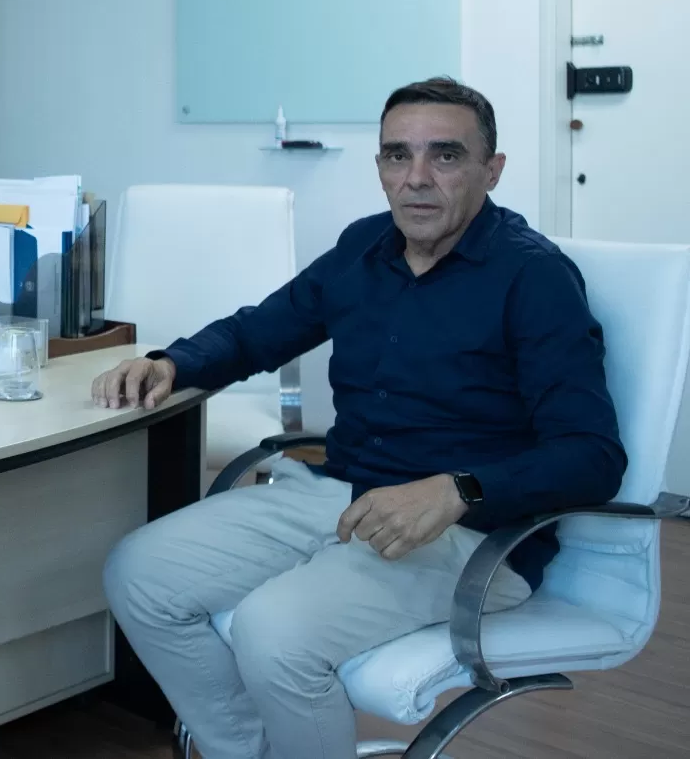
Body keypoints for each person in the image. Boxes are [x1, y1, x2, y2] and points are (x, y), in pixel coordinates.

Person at [93, 78, 626, 759]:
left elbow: (592, 454)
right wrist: (173, 363)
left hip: (471, 535)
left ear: (492, 170)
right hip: (343, 493)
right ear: (380, 167)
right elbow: (259, 331)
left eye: (446, 155)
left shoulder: (535, 278)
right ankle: (246, 751)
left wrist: (458, 489)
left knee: (274, 632)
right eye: (398, 155)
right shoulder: (364, 248)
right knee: (138, 573)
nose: (417, 178)